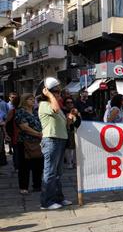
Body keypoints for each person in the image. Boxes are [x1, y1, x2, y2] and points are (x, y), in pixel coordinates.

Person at [38, 77, 76, 210]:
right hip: (51, 140)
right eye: (56, 92)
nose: (59, 94)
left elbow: (65, 124)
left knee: (58, 173)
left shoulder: (57, 106)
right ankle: (46, 202)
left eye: (59, 92)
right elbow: (54, 109)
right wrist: (49, 95)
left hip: (59, 140)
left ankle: (58, 198)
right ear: (47, 92)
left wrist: (70, 118)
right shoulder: (44, 104)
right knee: (50, 172)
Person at [15, 94, 43, 194]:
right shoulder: (20, 112)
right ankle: (24, 187)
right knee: (24, 165)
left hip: (37, 142)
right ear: (24, 101)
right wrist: (38, 134)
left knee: (38, 164)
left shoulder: (35, 112)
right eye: (30, 99)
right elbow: (24, 127)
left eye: (33, 99)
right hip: (25, 142)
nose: (33, 101)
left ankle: (37, 185)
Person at [62, 97, 81, 169]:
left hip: (75, 131)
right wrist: (69, 117)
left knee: (76, 147)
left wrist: (77, 115)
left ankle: (75, 163)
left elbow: (79, 122)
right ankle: (69, 163)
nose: (70, 104)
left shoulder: (76, 111)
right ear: (65, 104)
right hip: (66, 131)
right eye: (68, 102)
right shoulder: (63, 111)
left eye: (71, 102)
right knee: (68, 147)